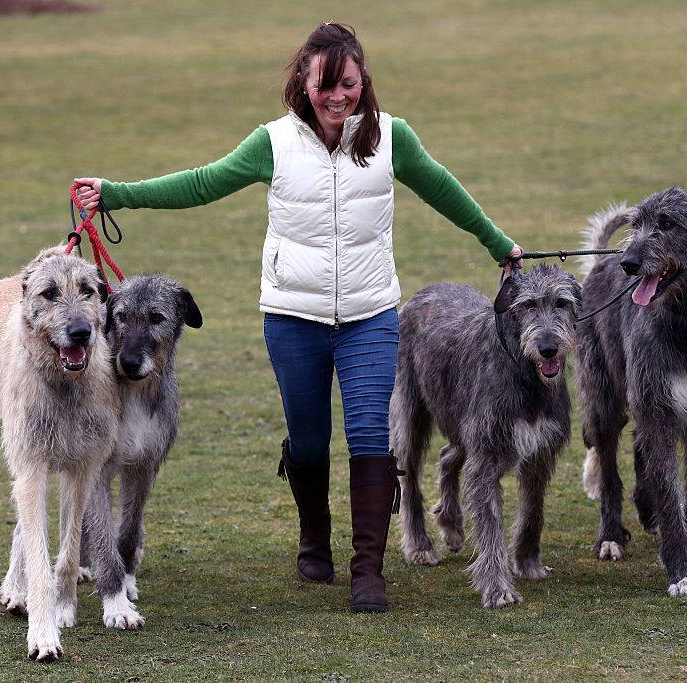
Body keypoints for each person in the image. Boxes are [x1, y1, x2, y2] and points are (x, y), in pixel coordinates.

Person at [74, 21, 523, 613]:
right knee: (309, 444)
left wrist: (500, 246)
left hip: (370, 314)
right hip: (293, 316)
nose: (338, 98)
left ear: (364, 81)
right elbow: (203, 183)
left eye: (350, 85)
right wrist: (117, 192)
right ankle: (315, 538)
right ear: (301, 84)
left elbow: (442, 187)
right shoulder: (274, 143)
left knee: (369, 438)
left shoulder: (392, 138)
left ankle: (369, 572)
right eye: (325, 86)